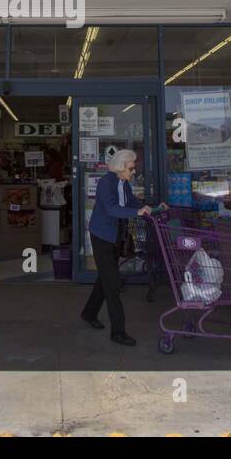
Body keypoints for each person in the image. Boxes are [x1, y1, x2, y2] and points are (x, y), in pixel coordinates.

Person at [80, 148, 164, 346]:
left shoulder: (124, 183)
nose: (133, 172)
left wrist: (154, 208)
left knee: (105, 278)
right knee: (112, 284)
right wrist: (137, 211)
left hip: (116, 236)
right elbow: (112, 209)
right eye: (131, 168)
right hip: (102, 236)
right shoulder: (106, 183)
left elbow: (134, 203)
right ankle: (118, 332)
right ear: (120, 167)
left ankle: (88, 313)